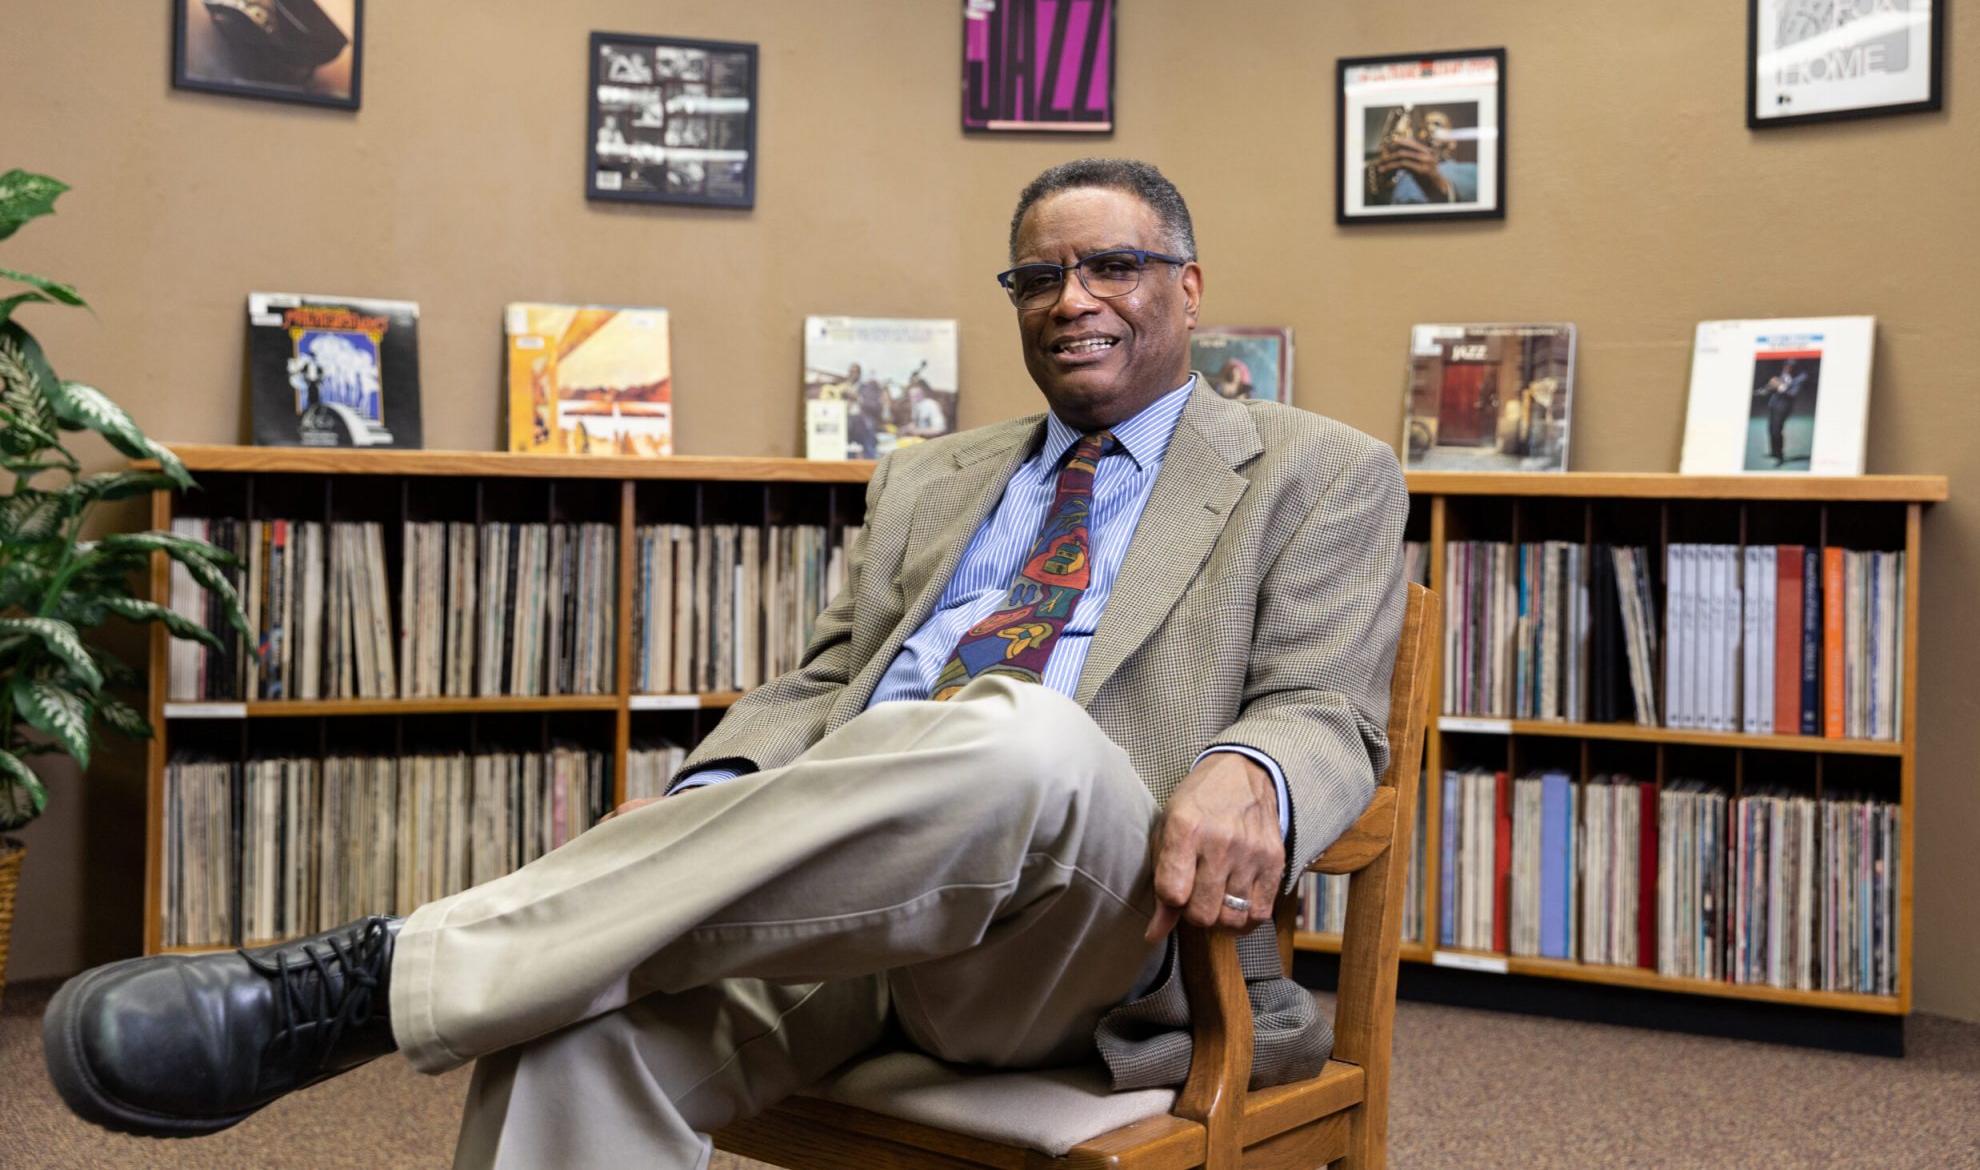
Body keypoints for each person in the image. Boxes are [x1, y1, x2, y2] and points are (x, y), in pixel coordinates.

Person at [44, 159, 1409, 1166]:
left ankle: (374, 979)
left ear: (1186, 286)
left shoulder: (1318, 471)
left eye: (1111, 266)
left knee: (1022, 732)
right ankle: (441, 976)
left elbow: (1328, 705)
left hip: (1093, 931)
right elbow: (818, 688)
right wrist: (716, 800)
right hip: (852, 918)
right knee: (573, 1033)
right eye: (1038, 277)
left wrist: (1254, 765)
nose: (1073, 300)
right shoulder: (932, 475)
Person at [1757, 360, 1811, 464]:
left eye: (1790, 366)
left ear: (1794, 368)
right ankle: (1774, 452)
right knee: (1771, 429)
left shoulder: (1800, 378)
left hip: (1783, 407)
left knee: (1777, 430)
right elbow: (1773, 385)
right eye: (1786, 366)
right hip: (1773, 405)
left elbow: (1792, 394)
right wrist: (1765, 390)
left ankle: (1780, 456)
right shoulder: (1783, 375)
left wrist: (1781, 388)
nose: (1787, 368)